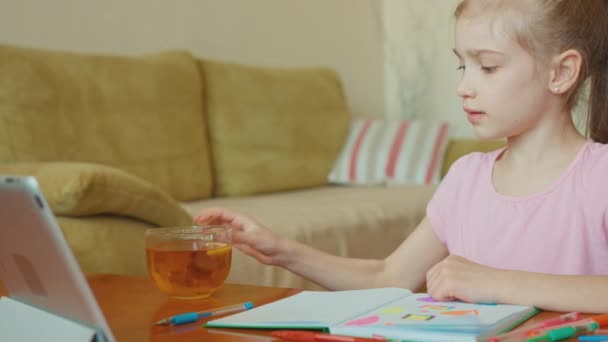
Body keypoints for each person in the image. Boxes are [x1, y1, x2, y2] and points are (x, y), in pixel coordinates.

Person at [196, 0, 608, 313]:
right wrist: (280, 249)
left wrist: (496, 283)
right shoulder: (466, 178)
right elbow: (389, 276)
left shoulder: (599, 176)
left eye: (487, 67)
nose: (464, 87)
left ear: (561, 73)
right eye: (461, 66)